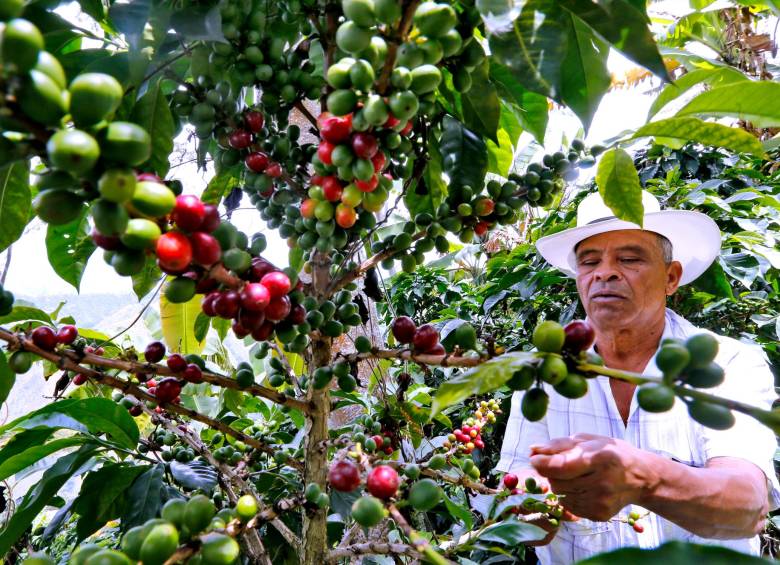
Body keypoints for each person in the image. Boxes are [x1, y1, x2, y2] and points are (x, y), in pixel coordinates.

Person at [496, 190, 779, 564]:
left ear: (671, 278)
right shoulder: (544, 374)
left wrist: (643, 479)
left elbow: (747, 508)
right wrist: (531, 498)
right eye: (589, 261)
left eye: (629, 259)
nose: (605, 272)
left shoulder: (728, 362)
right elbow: (517, 505)